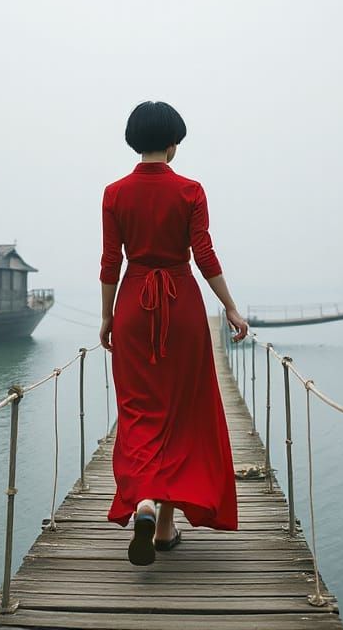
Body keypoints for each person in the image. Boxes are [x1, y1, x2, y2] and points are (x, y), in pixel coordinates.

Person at [99, 100, 248, 567]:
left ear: (133, 141)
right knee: (182, 412)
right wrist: (230, 307)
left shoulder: (114, 193)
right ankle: (164, 528)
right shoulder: (191, 191)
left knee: (140, 411)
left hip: (133, 304)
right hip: (181, 304)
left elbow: (110, 263)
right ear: (173, 144)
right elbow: (203, 255)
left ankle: (144, 504)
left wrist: (107, 318)